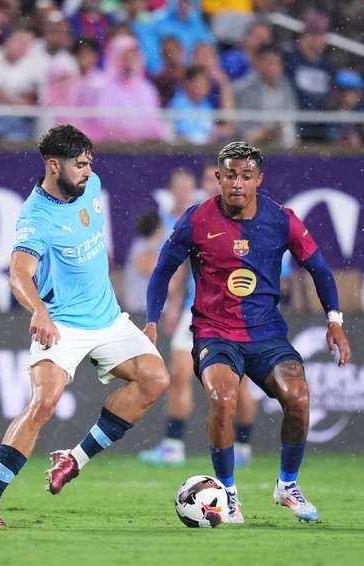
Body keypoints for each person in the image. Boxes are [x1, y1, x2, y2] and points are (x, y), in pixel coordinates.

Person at [0, 125, 170, 528]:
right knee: (43, 403)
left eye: (89, 163)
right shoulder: (36, 218)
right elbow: (18, 275)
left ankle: (73, 460)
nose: (87, 171)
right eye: (79, 165)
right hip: (61, 324)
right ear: (53, 165)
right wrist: (39, 312)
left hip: (109, 319)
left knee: (155, 379)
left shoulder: (91, 186)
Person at [146, 142, 351, 523]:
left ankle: (287, 486)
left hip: (267, 336)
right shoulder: (195, 220)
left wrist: (334, 320)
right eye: (230, 176)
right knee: (223, 398)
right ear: (218, 178)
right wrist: (152, 319)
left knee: (299, 397)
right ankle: (228, 494)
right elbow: (161, 270)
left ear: (259, 179)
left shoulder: (282, 220)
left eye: (246, 176)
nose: (237, 183)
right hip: (214, 334)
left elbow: (320, 269)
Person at [140, 167, 260, 468]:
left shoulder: (250, 219)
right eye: (207, 180)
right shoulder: (197, 221)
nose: (211, 185)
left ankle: (243, 446)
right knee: (179, 373)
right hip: (197, 311)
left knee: (237, 384)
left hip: (237, 315)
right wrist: (173, 305)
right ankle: (173, 445)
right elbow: (180, 267)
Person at [82, 34, 166, 143]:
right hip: (107, 150)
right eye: (125, 57)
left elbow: (154, 123)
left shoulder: (147, 88)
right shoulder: (99, 86)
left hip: (142, 150)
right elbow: (103, 123)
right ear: (115, 57)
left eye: (133, 56)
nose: (129, 62)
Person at [283, 12, 335, 142]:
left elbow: (330, 97)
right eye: (318, 35)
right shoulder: (290, 60)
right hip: (298, 126)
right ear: (306, 36)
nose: (322, 40)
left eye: (323, 35)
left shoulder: (327, 66)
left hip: (321, 128)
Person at [233, 44, 298, 147]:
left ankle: (290, 159)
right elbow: (241, 124)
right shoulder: (244, 87)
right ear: (259, 63)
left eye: (278, 63)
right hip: (251, 135)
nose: (274, 68)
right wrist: (265, 133)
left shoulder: (285, 85)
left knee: (288, 128)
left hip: (278, 134)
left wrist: (274, 130)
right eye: (270, 63)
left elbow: (291, 114)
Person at [121, 210, 166, 314]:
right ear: (158, 228)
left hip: (146, 311)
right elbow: (169, 282)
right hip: (140, 312)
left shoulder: (154, 247)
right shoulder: (141, 249)